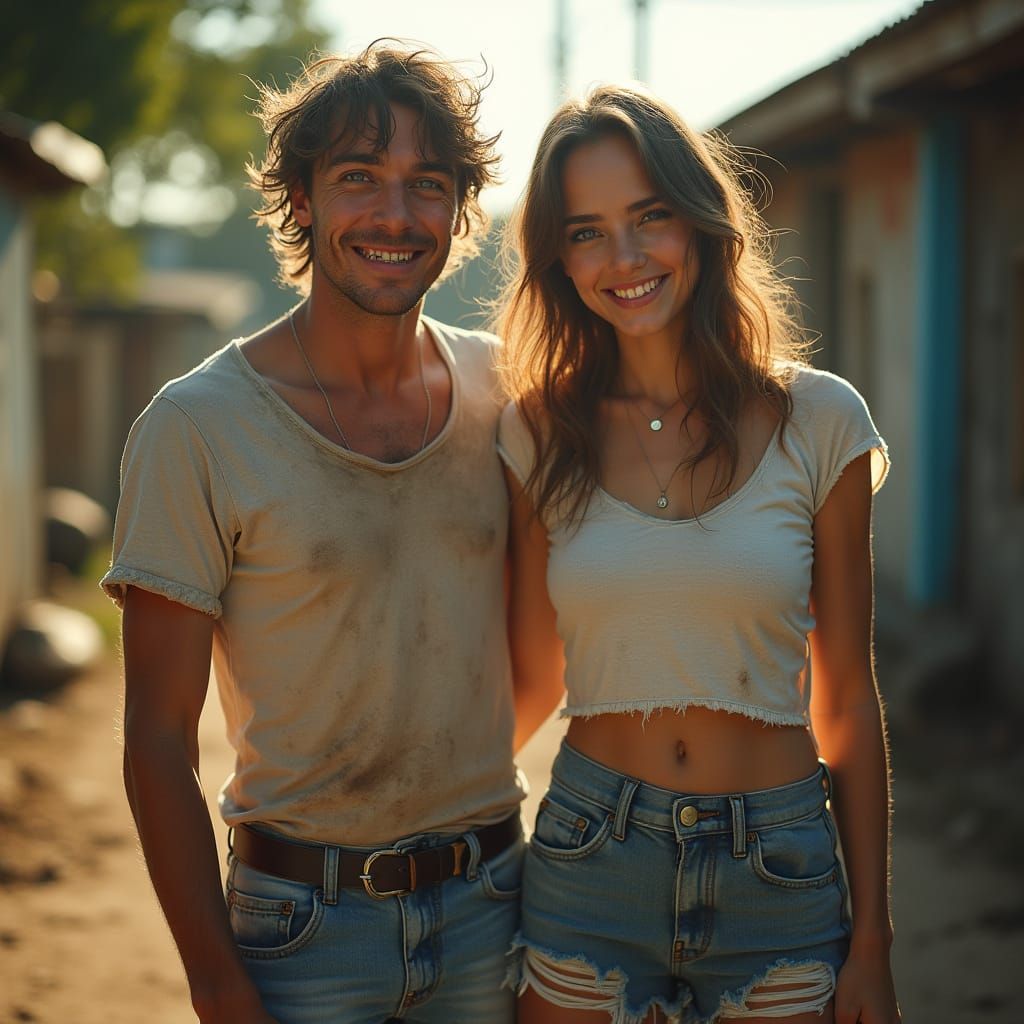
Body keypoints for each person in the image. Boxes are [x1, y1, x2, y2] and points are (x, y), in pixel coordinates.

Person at [101, 42, 526, 1024]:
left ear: (460, 210)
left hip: (494, 909)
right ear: (300, 200)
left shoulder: (509, 393)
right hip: (301, 932)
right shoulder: (197, 425)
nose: (393, 214)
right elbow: (158, 737)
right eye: (355, 179)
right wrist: (216, 981)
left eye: (427, 183)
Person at [497, 84, 900, 1024]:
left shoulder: (821, 421)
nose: (625, 259)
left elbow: (845, 694)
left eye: (651, 218)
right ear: (558, 258)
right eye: (588, 231)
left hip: (780, 865)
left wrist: (873, 938)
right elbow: (525, 680)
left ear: (702, 223)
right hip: (590, 859)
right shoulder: (536, 433)